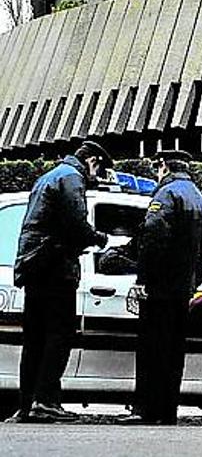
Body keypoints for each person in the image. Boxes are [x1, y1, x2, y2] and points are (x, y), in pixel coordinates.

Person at [10, 140, 111, 423]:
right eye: (98, 169)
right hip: (55, 267)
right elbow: (76, 226)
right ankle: (46, 402)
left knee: (35, 340)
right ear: (92, 161)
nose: (97, 176)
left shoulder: (50, 176)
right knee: (59, 335)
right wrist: (103, 240)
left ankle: (28, 404)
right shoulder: (72, 178)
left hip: (34, 266)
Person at [125, 148, 202, 426]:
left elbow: (152, 236)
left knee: (152, 349)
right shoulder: (199, 198)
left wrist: (142, 279)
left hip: (159, 288)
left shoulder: (166, 194)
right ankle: (167, 411)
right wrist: (193, 283)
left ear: (163, 166)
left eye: (157, 167)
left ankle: (146, 410)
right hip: (183, 290)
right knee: (174, 352)